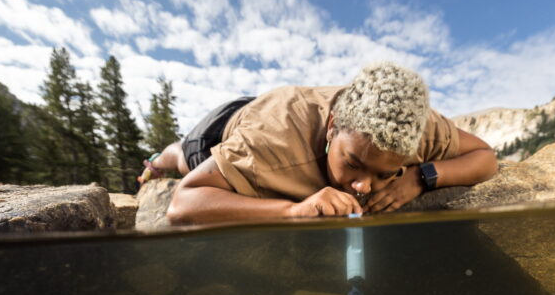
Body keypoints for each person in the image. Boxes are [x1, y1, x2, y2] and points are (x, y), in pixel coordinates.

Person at [140, 62, 497, 224]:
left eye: (387, 173)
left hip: (267, 112)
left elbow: (485, 157)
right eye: (354, 162)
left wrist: (422, 178)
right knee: (181, 157)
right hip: (223, 129)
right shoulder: (271, 140)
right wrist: (292, 211)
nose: (363, 186)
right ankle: (156, 162)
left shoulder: (415, 126)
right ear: (332, 126)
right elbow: (182, 204)